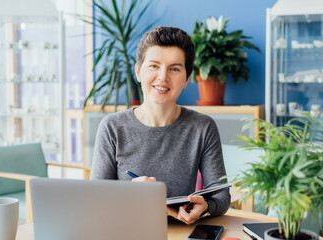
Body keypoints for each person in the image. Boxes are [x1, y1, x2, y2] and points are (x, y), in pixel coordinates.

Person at [90, 26, 230, 224]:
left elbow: (222, 195)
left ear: (186, 79)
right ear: (138, 72)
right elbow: (95, 199)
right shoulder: (112, 127)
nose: (163, 77)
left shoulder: (203, 127)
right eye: (154, 66)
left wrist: (206, 206)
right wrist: (127, 195)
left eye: (174, 69)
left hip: (182, 233)